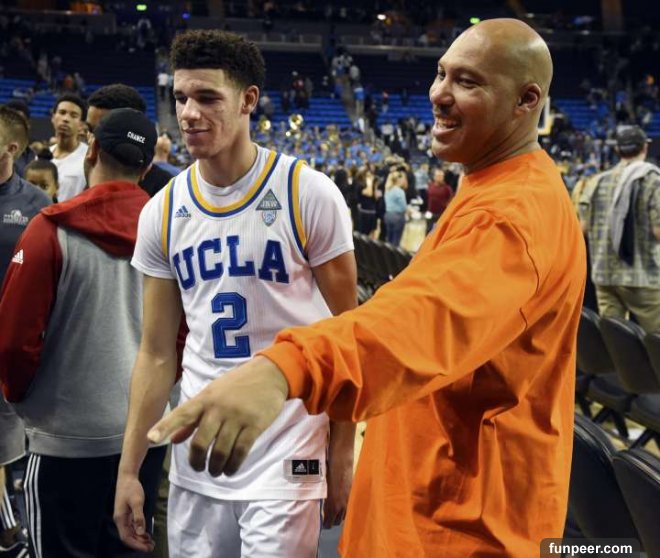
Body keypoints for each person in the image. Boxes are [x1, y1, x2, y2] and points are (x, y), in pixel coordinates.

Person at [147, 19, 587, 558]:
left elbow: (423, 320)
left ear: (526, 101)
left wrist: (285, 368)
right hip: (431, 497)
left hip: (461, 521)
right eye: (441, 73)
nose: (439, 94)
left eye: (467, 81)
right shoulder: (493, 188)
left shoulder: (513, 215)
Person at [114, 30, 356, 558]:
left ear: (248, 100)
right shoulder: (161, 211)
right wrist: (129, 470)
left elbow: (349, 337)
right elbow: (156, 354)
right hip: (198, 453)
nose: (188, 114)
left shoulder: (307, 193)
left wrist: (342, 448)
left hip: (288, 443)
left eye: (207, 98)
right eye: (180, 97)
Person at [0, 108, 165, 557]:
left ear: (91, 151)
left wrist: (23, 403)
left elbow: (14, 341)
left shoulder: (50, 228)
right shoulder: (171, 232)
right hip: (146, 434)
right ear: (146, 168)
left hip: (66, 438)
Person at [0, 106, 46, 558]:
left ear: (11, 148)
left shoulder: (35, 206)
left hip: (14, 347)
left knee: (16, 449)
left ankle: (18, 532)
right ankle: (10, 532)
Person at [579, 125, 660, 332]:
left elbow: (582, 229)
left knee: (616, 342)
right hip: (643, 276)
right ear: (645, 147)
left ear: (617, 150)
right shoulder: (653, 181)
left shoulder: (595, 182)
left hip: (604, 276)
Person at [87, 83, 175, 197]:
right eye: (90, 129)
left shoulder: (167, 190)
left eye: (104, 130)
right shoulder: (83, 173)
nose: (92, 139)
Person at [49, 93, 87, 201]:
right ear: (53, 117)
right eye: (62, 113)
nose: (66, 119)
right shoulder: (42, 156)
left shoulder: (88, 158)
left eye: (73, 115)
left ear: (81, 125)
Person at [383, 165, 408, 246]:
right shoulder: (399, 191)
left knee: (389, 239)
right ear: (398, 180)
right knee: (396, 241)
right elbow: (404, 207)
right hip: (398, 217)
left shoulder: (387, 189)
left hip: (388, 215)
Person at [426, 166, 454, 231]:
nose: (440, 177)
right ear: (434, 177)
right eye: (438, 176)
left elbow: (451, 201)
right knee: (428, 231)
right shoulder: (430, 186)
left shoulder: (447, 188)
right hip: (430, 213)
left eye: (441, 176)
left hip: (442, 214)